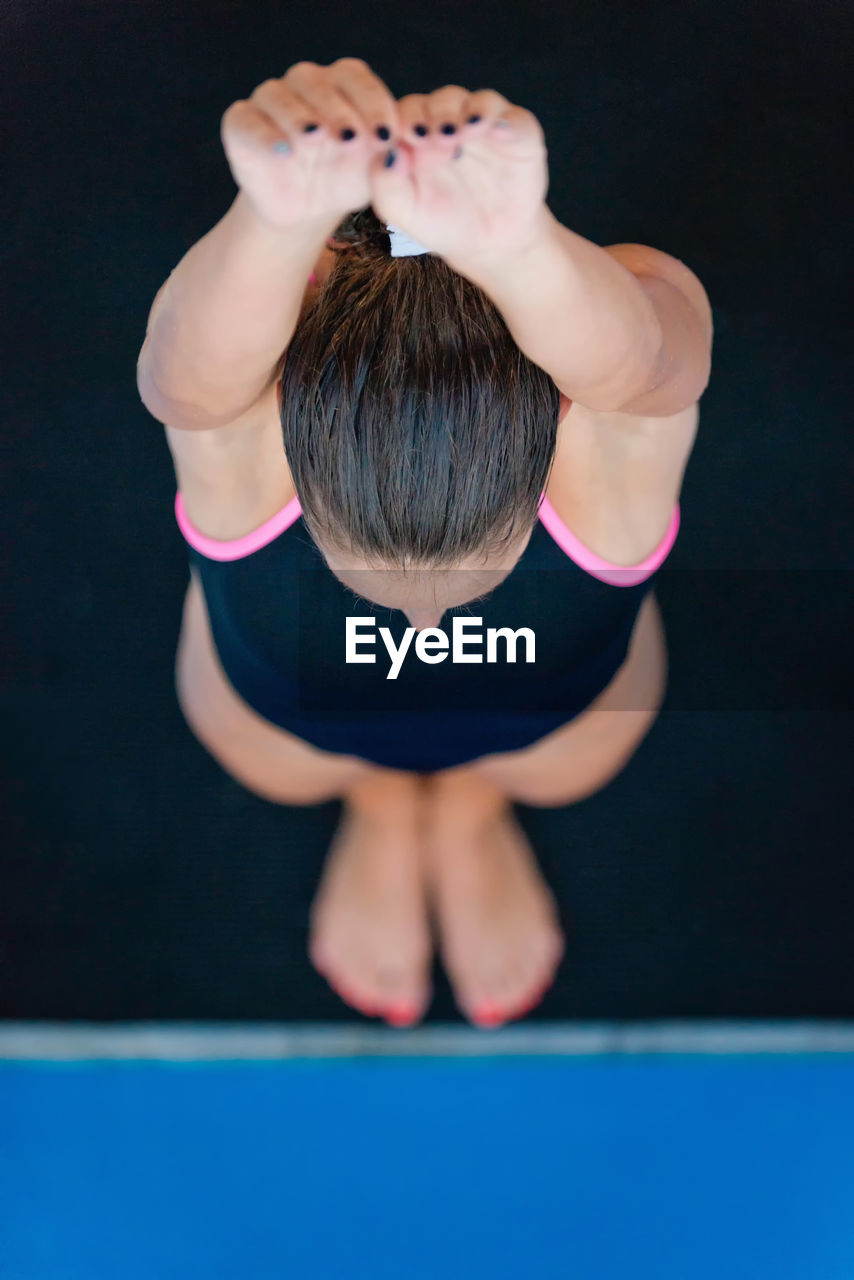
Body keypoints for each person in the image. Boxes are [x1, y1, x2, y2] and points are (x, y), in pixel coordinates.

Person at [136, 59, 712, 1032]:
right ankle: (380, 804)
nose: (422, 621)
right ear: (277, 406)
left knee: (547, 767)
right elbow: (184, 380)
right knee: (309, 769)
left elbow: (644, 359)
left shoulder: (609, 438)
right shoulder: (239, 429)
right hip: (308, 742)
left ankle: (468, 807)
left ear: (564, 405)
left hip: (532, 744)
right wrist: (271, 220)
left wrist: (521, 249)